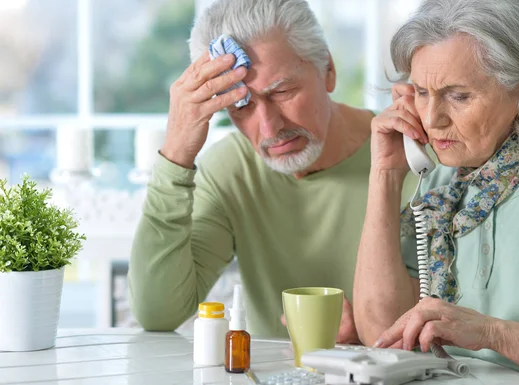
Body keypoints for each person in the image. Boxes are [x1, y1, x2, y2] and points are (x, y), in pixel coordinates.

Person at [353, 0, 519, 385]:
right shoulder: (445, 183)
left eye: (458, 96)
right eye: (420, 92)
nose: (432, 120)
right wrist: (385, 174)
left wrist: (492, 334)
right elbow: (382, 333)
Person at [128, 0, 375, 342]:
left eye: (283, 92)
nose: (270, 128)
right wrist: (176, 154)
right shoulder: (230, 171)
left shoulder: (407, 157)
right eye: (240, 106)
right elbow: (158, 313)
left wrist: (365, 338)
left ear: (328, 70)